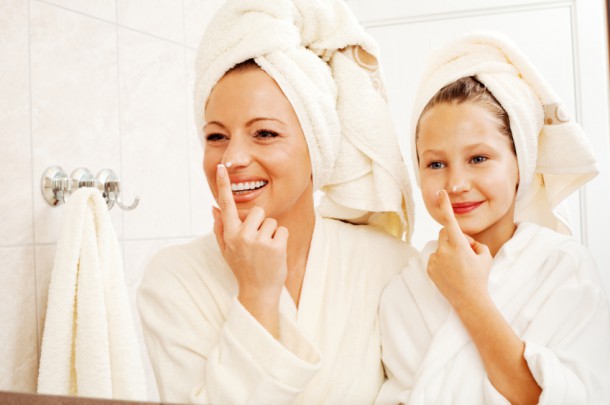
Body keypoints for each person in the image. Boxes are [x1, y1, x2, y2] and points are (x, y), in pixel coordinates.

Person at [137, 0, 417, 403]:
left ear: (318, 148)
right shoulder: (174, 279)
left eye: (264, 134)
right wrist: (257, 294)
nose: (231, 159)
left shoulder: (389, 266)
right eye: (216, 137)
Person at [376, 32, 610, 405]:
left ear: (521, 162)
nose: (456, 184)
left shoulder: (564, 268)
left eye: (478, 159)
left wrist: (469, 296)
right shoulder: (402, 291)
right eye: (435, 164)